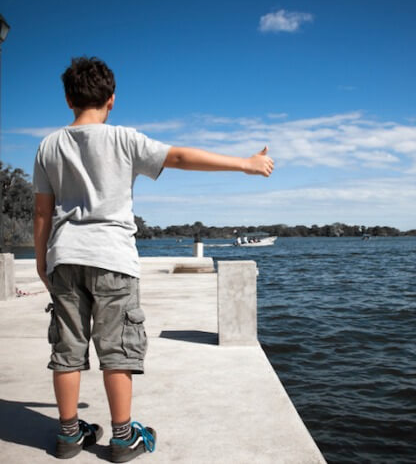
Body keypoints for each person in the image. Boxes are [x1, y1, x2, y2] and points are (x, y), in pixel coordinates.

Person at [33, 56, 273, 462]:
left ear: (68, 99)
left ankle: (70, 434)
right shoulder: (124, 139)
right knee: (118, 350)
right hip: (113, 259)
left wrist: (43, 262)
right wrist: (245, 164)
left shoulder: (49, 145)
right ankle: (124, 438)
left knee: (67, 350)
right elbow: (179, 157)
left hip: (66, 257)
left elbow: (42, 212)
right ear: (111, 100)